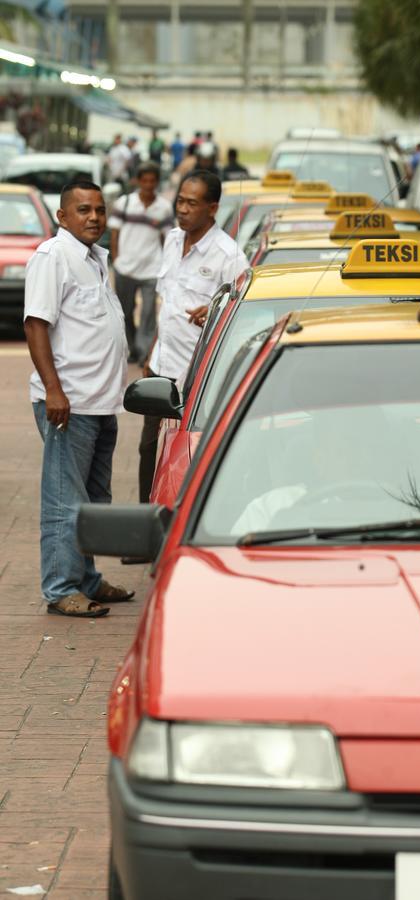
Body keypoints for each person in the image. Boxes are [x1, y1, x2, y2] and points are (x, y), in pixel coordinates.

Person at [23, 180, 133, 618]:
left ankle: (87, 579)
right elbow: (35, 325)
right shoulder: (54, 257)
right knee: (64, 501)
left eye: (99, 210)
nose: (94, 218)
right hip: (68, 404)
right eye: (83, 210)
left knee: (92, 502)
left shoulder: (95, 259)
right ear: (62, 217)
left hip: (101, 402)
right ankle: (61, 588)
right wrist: (53, 389)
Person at [137, 170, 249, 504]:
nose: (182, 209)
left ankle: (185, 519)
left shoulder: (229, 256)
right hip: (162, 367)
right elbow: (166, 303)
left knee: (189, 451)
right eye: (180, 201)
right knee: (148, 447)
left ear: (212, 208)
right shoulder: (172, 239)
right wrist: (151, 353)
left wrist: (214, 313)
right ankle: (145, 527)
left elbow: (239, 321)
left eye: (192, 203)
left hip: (197, 375)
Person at [108, 161, 174, 364]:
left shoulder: (163, 208)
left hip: (151, 270)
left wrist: (166, 264)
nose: (148, 185)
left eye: (152, 181)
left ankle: (145, 351)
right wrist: (117, 259)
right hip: (125, 268)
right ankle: (134, 348)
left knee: (148, 313)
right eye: (144, 180)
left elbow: (168, 238)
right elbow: (114, 233)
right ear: (138, 181)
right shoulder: (124, 203)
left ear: (156, 182)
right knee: (125, 312)